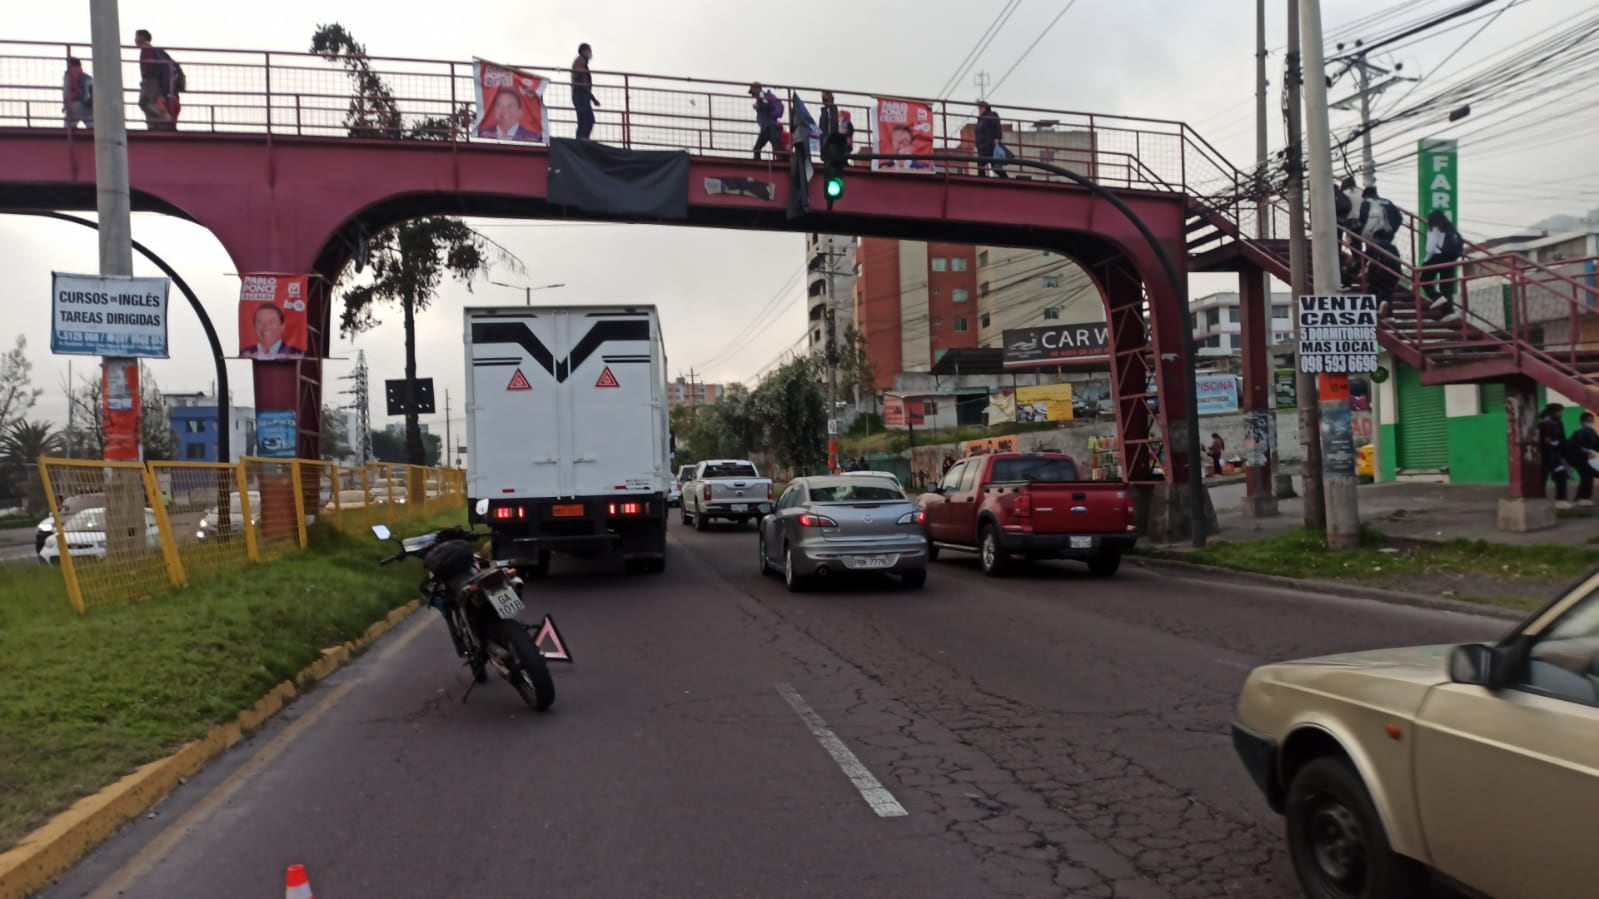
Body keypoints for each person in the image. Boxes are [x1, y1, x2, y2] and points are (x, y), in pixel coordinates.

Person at [134, 30, 182, 130]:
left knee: (145, 102)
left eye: (136, 36)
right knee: (149, 103)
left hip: (151, 81)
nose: (135, 39)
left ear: (142, 37)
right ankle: (155, 125)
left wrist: (147, 78)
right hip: (153, 81)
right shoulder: (150, 49)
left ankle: (165, 119)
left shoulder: (146, 48)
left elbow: (149, 66)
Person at [1421, 209, 1465, 317]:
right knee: (1446, 286)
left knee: (1424, 280)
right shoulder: (1451, 228)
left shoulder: (1434, 228)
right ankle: (1449, 311)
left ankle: (1436, 297)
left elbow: (1430, 249)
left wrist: (1425, 261)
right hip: (1450, 258)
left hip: (1437, 257)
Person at [241, 304, 307, 359]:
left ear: (282, 327)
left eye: (271, 322)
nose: (266, 326)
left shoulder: (296, 354)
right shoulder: (244, 354)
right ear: (254, 326)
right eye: (260, 322)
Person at [478, 88, 542, 141]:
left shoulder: (532, 137)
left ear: (520, 111)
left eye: (510, 106)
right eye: (499, 105)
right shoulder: (482, 134)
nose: (505, 111)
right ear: (494, 110)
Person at [1541, 403, 1571, 509]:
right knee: (1542, 478)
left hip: (1556, 455)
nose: (1561, 413)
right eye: (1559, 411)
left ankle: (1561, 500)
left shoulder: (1558, 422)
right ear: (1553, 412)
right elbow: (1544, 440)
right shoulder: (1545, 423)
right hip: (1546, 455)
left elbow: (1562, 438)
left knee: (1561, 476)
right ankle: (1541, 498)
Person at [1567, 413, 1599, 506]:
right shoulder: (1579, 433)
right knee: (1587, 478)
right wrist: (1587, 453)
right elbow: (1573, 447)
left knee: (1587, 478)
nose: (1590, 422)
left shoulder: (1593, 433)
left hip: (1590, 460)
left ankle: (1580, 497)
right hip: (1581, 460)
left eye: (1591, 420)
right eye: (1588, 421)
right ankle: (1584, 498)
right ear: (1582, 422)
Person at [748, 82, 783, 160]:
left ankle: (757, 167)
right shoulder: (762, 96)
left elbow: (767, 105)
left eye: (752, 92)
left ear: (756, 89)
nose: (752, 95)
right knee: (777, 148)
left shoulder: (761, 95)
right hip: (770, 126)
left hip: (769, 126)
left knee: (758, 148)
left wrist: (759, 106)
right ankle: (782, 160)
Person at [571, 43, 598, 141]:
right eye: (589, 50)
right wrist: (592, 97)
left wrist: (592, 98)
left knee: (586, 119)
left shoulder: (582, 62)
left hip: (583, 94)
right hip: (580, 94)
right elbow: (582, 79)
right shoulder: (580, 61)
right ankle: (582, 139)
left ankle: (583, 139)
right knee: (585, 119)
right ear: (583, 51)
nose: (590, 53)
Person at [975, 101, 1008, 178]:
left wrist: (997, 138)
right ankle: (983, 183)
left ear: (985, 108)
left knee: (993, 167)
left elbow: (997, 127)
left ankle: (1007, 180)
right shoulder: (980, 119)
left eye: (981, 108)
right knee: (982, 165)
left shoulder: (991, 115)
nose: (979, 110)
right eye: (979, 108)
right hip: (982, 147)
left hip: (989, 146)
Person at [63, 57, 93, 129]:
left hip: (75, 105)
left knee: (68, 127)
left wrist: (66, 106)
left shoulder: (68, 75)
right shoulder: (85, 76)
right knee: (92, 129)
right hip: (88, 105)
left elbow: (66, 92)